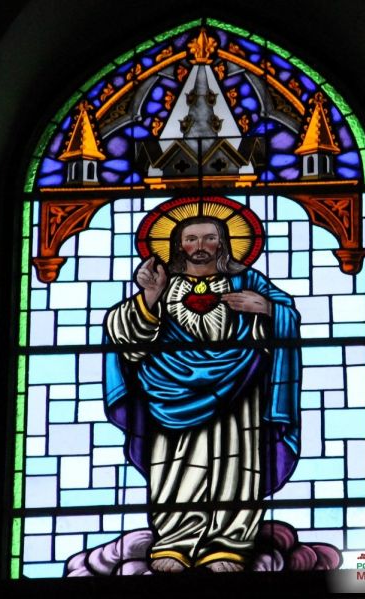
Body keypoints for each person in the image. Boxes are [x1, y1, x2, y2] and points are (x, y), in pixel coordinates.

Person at [104, 215, 301, 573]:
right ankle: (175, 539)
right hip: (169, 393)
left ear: (223, 242)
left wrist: (268, 309)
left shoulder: (248, 281)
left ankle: (227, 542)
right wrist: (150, 297)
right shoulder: (162, 283)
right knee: (175, 467)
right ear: (178, 245)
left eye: (209, 238)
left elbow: (287, 316)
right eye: (191, 238)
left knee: (235, 463)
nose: (200, 246)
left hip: (239, 390)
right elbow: (126, 337)